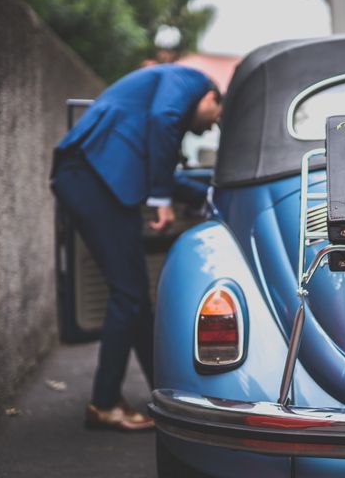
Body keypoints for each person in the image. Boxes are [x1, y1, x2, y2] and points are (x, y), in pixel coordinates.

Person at [51, 64, 222, 431]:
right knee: (128, 296)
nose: (211, 127)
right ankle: (103, 403)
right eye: (216, 118)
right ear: (211, 96)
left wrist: (205, 193)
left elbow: (164, 169)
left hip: (94, 180)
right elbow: (164, 119)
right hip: (92, 179)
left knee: (135, 300)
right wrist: (160, 197)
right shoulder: (189, 80)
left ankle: (166, 392)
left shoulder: (157, 108)